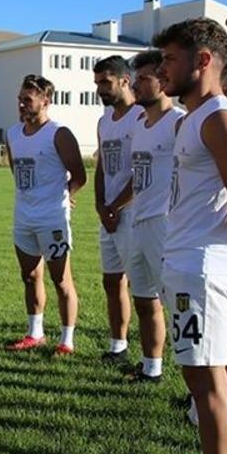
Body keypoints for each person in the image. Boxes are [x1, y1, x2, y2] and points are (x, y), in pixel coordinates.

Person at [149, 18, 227, 454]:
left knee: (205, 375)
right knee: (207, 369)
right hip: (189, 258)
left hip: (206, 263)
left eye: (170, 59)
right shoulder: (191, 117)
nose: (162, 69)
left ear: (204, 60)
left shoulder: (222, 116)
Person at [5, 75, 86, 354]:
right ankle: (35, 333)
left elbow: (79, 175)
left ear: (45, 101)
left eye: (27, 99)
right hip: (23, 216)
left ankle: (67, 340)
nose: (21, 104)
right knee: (29, 275)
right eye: (20, 98)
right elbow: (15, 170)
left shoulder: (58, 133)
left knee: (61, 280)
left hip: (52, 218)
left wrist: (65, 197)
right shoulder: (12, 133)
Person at [120, 49, 183, 384]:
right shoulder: (140, 125)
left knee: (176, 306)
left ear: (162, 79)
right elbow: (137, 175)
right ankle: (152, 368)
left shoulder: (179, 122)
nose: (136, 85)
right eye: (135, 78)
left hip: (165, 223)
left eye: (144, 78)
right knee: (144, 299)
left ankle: (198, 387)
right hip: (137, 221)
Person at [92, 56, 142, 363]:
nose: (100, 89)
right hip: (108, 215)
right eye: (97, 83)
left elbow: (142, 172)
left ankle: (153, 356)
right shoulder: (104, 121)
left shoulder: (140, 117)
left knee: (144, 289)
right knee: (112, 281)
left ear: (125, 80)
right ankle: (118, 345)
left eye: (105, 82)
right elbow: (101, 168)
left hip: (134, 214)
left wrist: (116, 206)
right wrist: (100, 205)